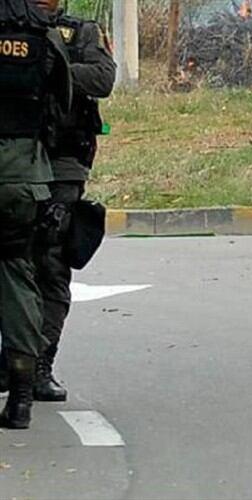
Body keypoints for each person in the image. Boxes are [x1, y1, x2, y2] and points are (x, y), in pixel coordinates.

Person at [29, 0, 115, 402]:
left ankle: (39, 365)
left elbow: (101, 79)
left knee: (51, 263)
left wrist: (51, 69)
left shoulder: (80, 31)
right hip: (14, 159)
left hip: (62, 163)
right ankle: (14, 358)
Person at [0, 0, 71, 429]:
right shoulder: (44, 36)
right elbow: (61, 103)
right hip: (24, 176)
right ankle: (21, 399)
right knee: (18, 274)